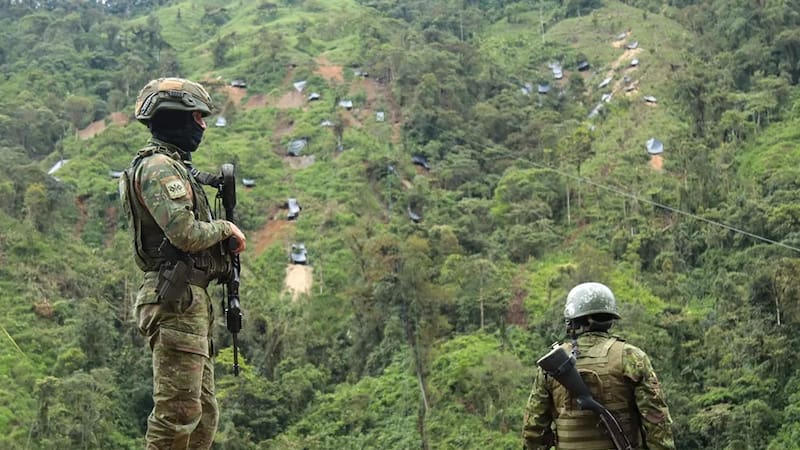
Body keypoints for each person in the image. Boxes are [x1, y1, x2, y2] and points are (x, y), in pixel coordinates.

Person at [119, 77, 246, 449]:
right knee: (177, 414)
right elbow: (185, 234)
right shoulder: (159, 168)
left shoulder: (176, 167)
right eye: (196, 116)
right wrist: (225, 228)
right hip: (175, 299)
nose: (202, 126)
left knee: (203, 413)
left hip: (188, 300)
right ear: (176, 117)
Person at [523, 282, 675, 450]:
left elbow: (533, 430)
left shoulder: (552, 365)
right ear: (610, 319)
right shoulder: (632, 357)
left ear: (571, 320)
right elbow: (657, 424)